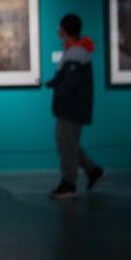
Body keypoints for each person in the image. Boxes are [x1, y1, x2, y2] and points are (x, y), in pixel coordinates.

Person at [45, 13, 104, 199]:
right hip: (71, 108)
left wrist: (59, 93)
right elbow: (67, 77)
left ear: (64, 30)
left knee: (65, 146)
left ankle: (69, 185)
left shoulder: (76, 52)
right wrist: (54, 82)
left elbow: (70, 84)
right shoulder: (73, 51)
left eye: (59, 26)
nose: (58, 29)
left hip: (71, 109)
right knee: (69, 144)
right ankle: (93, 171)